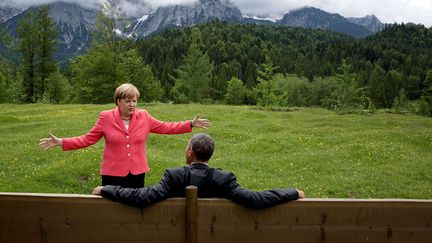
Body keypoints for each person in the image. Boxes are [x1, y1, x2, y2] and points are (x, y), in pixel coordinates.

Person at [39, 83, 210, 188]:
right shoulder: (105, 117)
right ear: (118, 101)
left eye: (134, 100)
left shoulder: (144, 116)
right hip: (112, 173)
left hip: (137, 173)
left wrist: (190, 124)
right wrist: (61, 142)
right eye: (128, 101)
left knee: (134, 208)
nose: (132, 104)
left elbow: (166, 127)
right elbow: (87, 139)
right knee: (112, 211)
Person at [93, 133, 304, 210]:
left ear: (190, 152)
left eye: (187, 146)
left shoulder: (175, 176)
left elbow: (143, 197)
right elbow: (257, 199)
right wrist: (293, 192)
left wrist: (107, 189)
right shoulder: (223, 179)